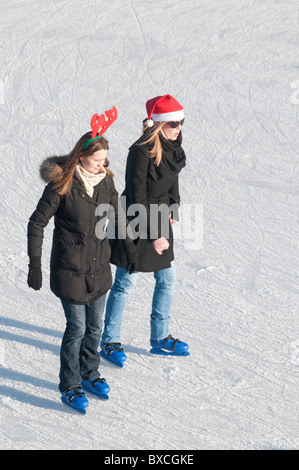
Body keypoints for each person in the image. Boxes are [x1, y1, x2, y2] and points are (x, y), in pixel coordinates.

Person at [27, 113, 136, 413]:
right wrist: (34, 263)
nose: (102, 164)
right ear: (82, 156)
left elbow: (117, 217)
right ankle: (70, 386)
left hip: (98, 269)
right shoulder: (62, 185)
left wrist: (130, 249)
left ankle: (90, 374)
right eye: (97, 159)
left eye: (105, 159)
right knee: (76, 328)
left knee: (95, 328)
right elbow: (37, 223)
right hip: (69, 270)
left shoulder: (106, 184)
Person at [100, 94, 190, 367]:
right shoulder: (140, 151)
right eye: (174, 123)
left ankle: (160, 339)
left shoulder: (173, 147)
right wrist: (152, 235)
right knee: (125, 283)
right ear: (158, 124)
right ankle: (109, 341)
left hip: (160, 217)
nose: (179, 128)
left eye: (182, 122)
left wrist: (173, 206)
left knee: (167, 280)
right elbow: (136, 197)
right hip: (136, 222)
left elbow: (172, 181)